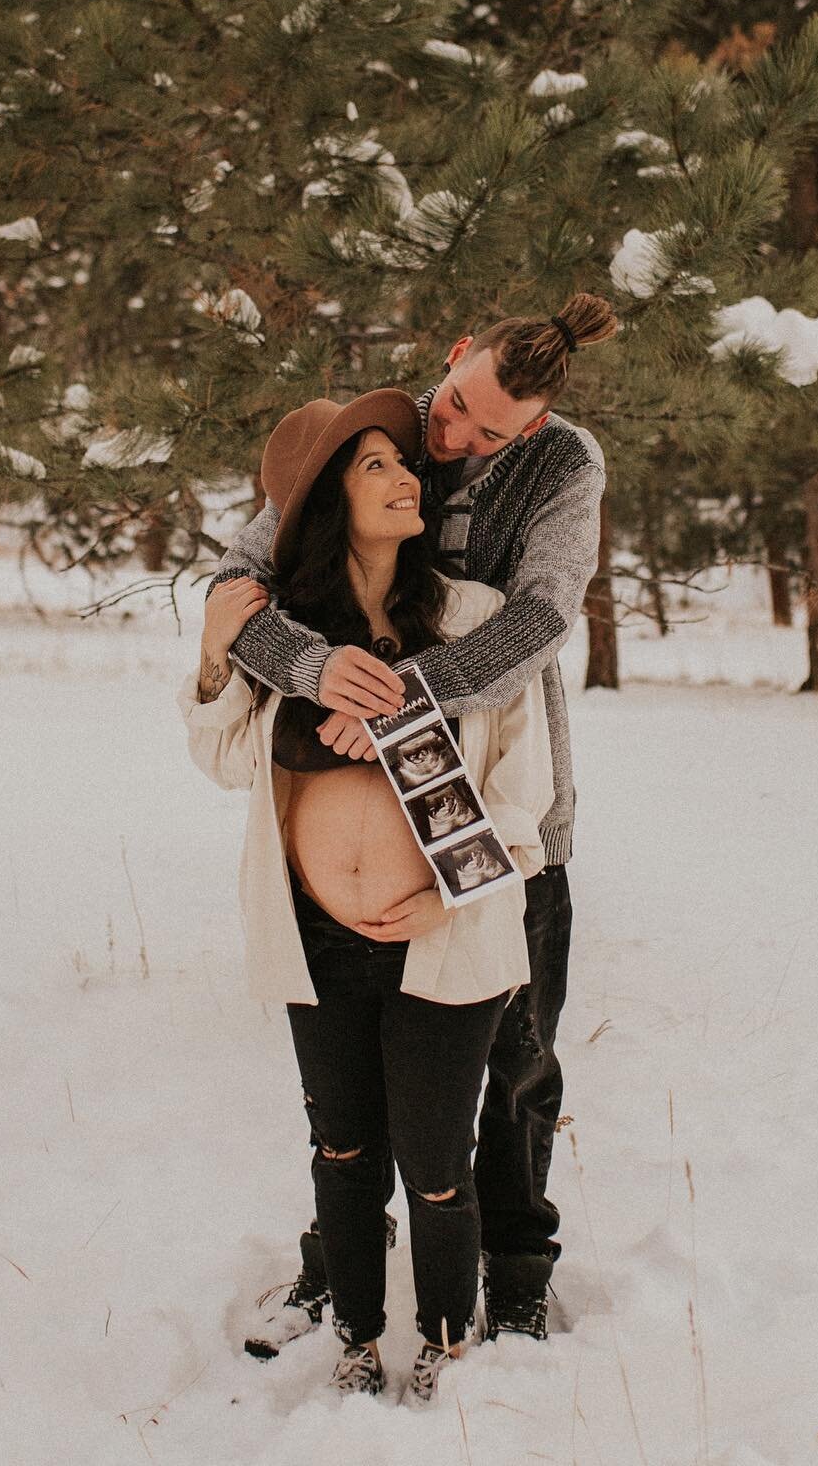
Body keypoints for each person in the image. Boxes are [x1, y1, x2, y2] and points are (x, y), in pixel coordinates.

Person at [218, 293, 618, 1349]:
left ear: (531, 429)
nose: (457, 443)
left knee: (516, 1059)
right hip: (350, 795)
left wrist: (406, 696)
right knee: (356, 1079)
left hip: (500, 785)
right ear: (453, 359)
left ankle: (517, 1266)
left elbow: (540, 617)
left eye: (491, 434)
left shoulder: (563, 467)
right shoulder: (385, 429)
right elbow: (239, 577)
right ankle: (339, 1263)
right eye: (460, 411)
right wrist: (313, 670)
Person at [178, 390, 555, 1404]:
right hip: (317, 940)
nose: (406, 479)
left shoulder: (476, 622)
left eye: (404, 462)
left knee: (437, 1163)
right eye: (375, 466)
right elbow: (218, 759)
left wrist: (450, 899)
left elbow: (526, 792)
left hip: (445, 940)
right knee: (342, 1149)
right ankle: (353, 1335)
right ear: (325, 502)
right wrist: (216, 648)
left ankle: (445, 1340)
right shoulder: (287, 641)